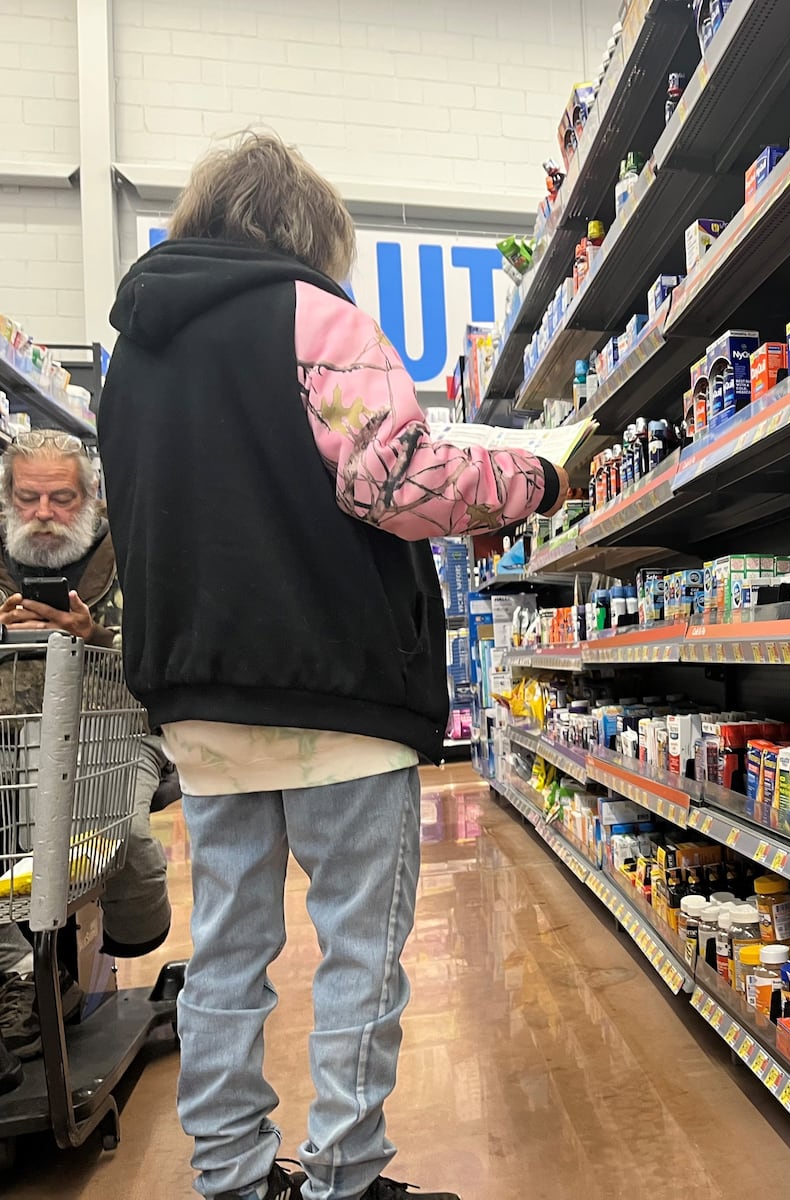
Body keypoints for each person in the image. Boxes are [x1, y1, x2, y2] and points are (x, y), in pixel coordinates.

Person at [98, 131, 566, 1200]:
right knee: (358, 949)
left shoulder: (137, 354)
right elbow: (394, 485)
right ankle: (343, 1178)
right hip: (335, 689)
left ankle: (233, 1177)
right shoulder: (316, 317)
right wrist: (530, 479)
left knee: (228, 951)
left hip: (200, 699)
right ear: (311, 232)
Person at [0, 430, 172, 1088]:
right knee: (13, 857)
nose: (44, 512)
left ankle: (136, 925)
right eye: (29, 497)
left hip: (112, 725)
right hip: (8, 731)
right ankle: (24, 979)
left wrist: (95, 636)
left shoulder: (134, 551)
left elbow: (170, 651)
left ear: (92, 497)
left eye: (62, 498)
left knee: (113, 835)